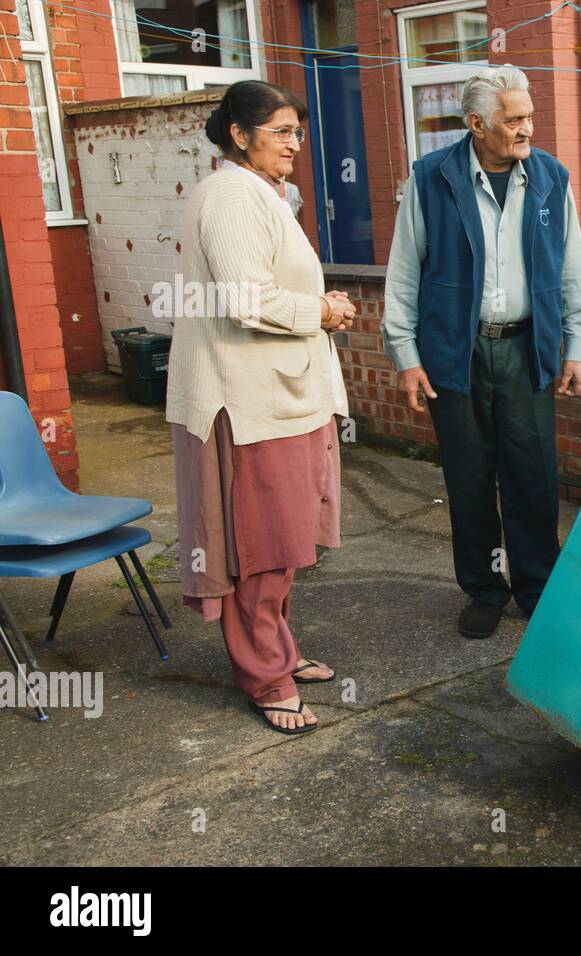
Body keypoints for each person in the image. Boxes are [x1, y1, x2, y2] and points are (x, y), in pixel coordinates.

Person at [383, 65, 581, 639]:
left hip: (527, 348)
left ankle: (536, 588)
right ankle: (483, 589)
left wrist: (575, 347)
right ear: (477, 124)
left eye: (530, 117)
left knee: (534, 478)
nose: (528, 128)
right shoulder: (432, 178)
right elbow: (404, 272)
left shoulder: (551, 176)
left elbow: (573, 267)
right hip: (455, 351)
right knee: (469, 478)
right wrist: (405, 354)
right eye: (515, 120)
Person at [167, 80, 357, 735]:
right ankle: (266, 678)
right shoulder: (228, 195)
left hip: (280, 397)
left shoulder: (262, 194)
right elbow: (246, 301)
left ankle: (279, 652)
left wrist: (316, 306)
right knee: (261, 547)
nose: (294, 146)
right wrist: (322, 311)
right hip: (246, 402)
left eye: (298, 133)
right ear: (240, 134)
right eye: (281, 132)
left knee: (283, 542)